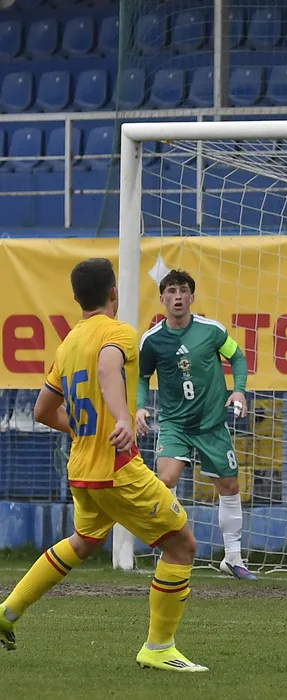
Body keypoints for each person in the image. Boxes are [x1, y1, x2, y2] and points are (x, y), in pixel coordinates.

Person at [0, 258, 205, 672]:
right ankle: (159, 647)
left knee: (84, 541)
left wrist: (84, 430)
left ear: (77, 298)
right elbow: (109, 366)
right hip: (117, 468)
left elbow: (43, 411)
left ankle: (7, 611)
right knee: (181, 545)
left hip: (81, 468)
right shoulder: (118, 332)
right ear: (114, 294)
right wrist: (123, 419)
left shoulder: (68, 343)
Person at [135, 270, 255, 580]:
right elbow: (142, 377)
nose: (177, 296)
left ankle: (233, 558)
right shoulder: (152, 340)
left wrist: (239, 389)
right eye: (171, 291)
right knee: (165, 480)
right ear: (162, 298)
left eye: (183, 290)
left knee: (230, 486)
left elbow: (238, 357)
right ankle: (172, 549)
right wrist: (139, 407)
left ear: (192, 297)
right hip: (175, 423)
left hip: (211, 423)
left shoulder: (211, 331)